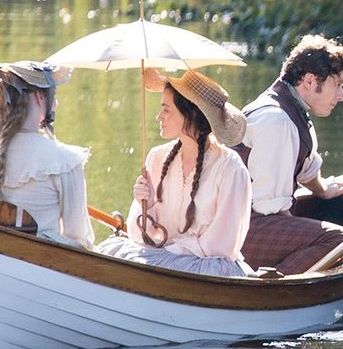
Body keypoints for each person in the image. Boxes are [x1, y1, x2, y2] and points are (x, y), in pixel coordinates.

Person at [96, 69, 252, 277]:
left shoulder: (230, 168)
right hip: (160, 258)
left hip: (207, 267)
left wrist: (169, 253)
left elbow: (221, 245)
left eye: (166, 109)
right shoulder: (157, 157)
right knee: (110, 250)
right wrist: (147, 203)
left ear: (191, 114)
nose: (158, 116)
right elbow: (138, 236)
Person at [236, 35, 343, 275]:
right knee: (342, 242)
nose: (341, 95)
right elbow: (268, 206)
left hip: (249, 222)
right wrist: (301, 228)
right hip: (240, 229)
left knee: (322, 220)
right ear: (309, 81)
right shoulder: (277, 120)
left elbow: (307, 168)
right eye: (337, 84)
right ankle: (268, 290)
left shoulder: (291, 109)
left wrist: (322, 191)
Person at [0, 61, 94, 248]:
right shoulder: (66, 160)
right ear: (40, 97)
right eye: (53, 94)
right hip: (45, 263)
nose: (56, 102)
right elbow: (78, 238)